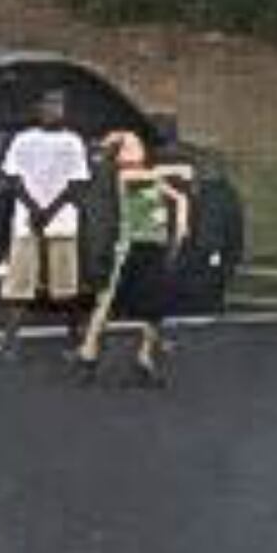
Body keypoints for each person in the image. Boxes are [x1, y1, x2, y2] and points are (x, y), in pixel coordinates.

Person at [76, 127, 193, 386]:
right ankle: (88, 352)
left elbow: (176, 196)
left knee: (155, 304)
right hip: (130, 244)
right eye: (131, 147)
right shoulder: (125, 175)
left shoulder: (151, 176)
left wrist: (182, 217)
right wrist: (175, 170)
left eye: (138, 145)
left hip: (154, 242)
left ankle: (145, 358)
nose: (138, 149)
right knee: (107, 299)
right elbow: (151, 174)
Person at [0, 89, 94, 357]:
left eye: (58, 105)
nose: (53, 110)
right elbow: (13, 179)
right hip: (29, 221)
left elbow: (76, 184)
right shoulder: (23, 140)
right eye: (48, 104)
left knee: (67, 285)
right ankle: (10, 342)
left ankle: (75, 339)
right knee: (19, 285)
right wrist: (36, 209)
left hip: (61, 220)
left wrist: (46, 211)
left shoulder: (73, 142)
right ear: (37, 109)